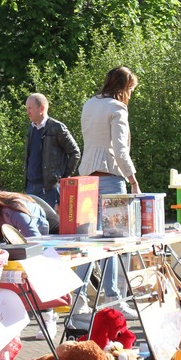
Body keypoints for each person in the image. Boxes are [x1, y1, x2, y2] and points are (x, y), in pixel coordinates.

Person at [76, 66, 140, 318]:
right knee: (114, 242)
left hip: (86, 180)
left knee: (87, 242)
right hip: (111, 179)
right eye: (131, 90)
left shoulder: (89, 104)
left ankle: (79, 298)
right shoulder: (117, 108)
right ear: (124, 88)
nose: (131, 95)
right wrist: (133, 180)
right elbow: (120, 150)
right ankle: (113, 298)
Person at [24, 92, 80, 208]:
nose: (27, 112)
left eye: (30, 108)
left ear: (41, 108)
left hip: (49, 189)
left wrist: (63, 178)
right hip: (30, 187)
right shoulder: (31, 128)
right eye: (26, 108)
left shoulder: (57, 127)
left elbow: (75, 152)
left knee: (51, 219)